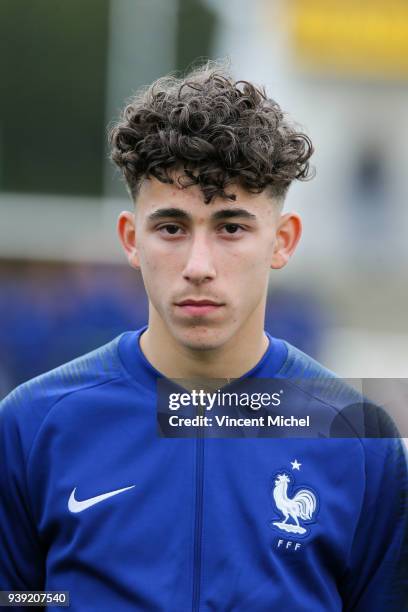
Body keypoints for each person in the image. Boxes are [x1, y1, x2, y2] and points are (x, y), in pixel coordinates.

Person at [0, 61, 407, 611]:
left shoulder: (357, 438)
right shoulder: (32, 424)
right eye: (171, 228)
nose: (198, 265)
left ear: (283, 241)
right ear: (131, 239)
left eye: (231, 228)